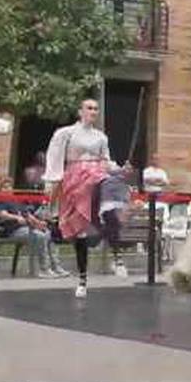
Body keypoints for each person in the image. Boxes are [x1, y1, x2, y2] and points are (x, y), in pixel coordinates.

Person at [43, 99, 117, 298]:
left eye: (95, 108)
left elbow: (106, 160)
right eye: (89, 108)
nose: (93, 111)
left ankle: (114, 249)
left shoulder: (101, 136)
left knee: (112, 191)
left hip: (96, 176)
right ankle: (83, 278)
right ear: (80, 111)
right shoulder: (66, 133)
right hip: (74, 181)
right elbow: (55, 159)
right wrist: (53, 185)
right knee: (80, 233)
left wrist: (118, 169)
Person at [0, 176, 69, 278]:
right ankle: (42, 269)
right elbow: (2, 214)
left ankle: (55, 266)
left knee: (48, 233)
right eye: (4, 187)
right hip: (11, 231)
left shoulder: (15, 200)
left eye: (9, 186)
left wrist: (38, 223)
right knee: (39, 236)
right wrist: (16, 217)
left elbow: (27, 214)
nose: (8, 189)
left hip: (24, 229)